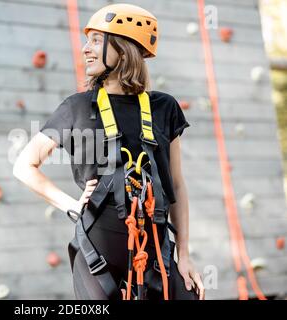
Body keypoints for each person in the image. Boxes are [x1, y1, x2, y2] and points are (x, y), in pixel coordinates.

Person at [13, 3, 205, 300]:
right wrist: (70, 205)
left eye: (96, 41)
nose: (85, 49)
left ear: (124, 47)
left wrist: (185, 254)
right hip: (98, 254)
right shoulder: (76, 108)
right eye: (87, 41)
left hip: (156, 252)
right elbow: (24, 165)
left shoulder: (164, 108)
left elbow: (176, 185)